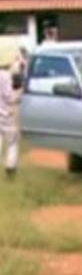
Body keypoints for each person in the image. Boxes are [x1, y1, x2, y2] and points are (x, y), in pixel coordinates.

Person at [0, 41, 21, 179]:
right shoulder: (6, 76)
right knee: (12, 141)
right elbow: (9, 96)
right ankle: (10, 166)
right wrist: (18, 94)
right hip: (6, 113)